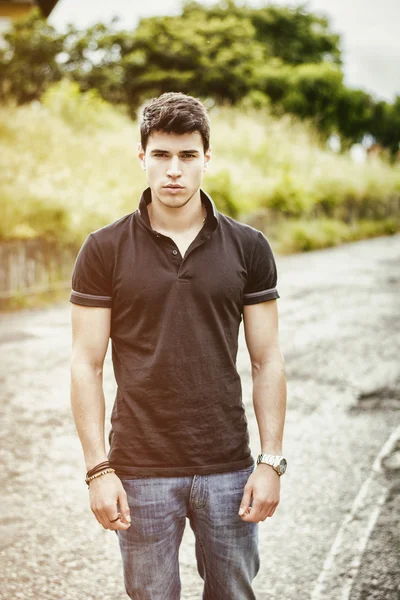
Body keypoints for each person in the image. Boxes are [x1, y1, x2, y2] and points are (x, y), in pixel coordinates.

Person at [70, 92, 287, 600]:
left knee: (234, 594)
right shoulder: (103, 249)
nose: (174, 171)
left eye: (188, 156)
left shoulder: (248, 246)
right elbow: (85, 364)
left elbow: (267, 359)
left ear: (206, 159)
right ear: (141, 156)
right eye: (162, 155)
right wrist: (98, 470)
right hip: (140, 468)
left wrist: (270, 460)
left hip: (228, 464)